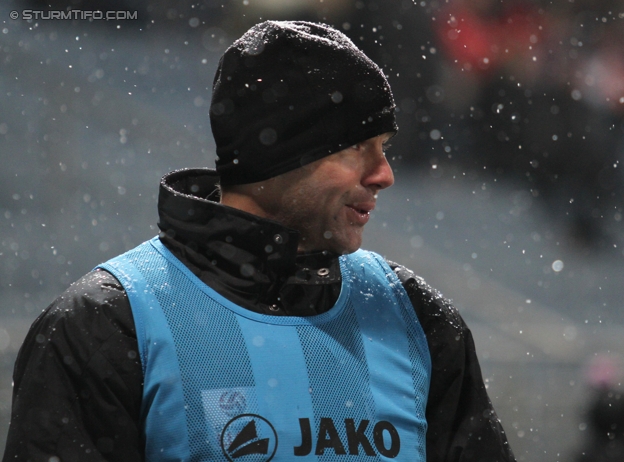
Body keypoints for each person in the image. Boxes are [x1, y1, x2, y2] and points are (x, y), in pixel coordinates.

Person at [3, 21, 515, 462]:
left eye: (383, 148)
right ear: (281, 155)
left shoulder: (418, 317)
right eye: (358, 148)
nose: (384, 174)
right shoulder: (104, 325)